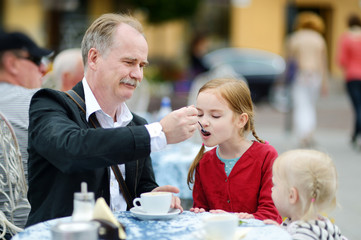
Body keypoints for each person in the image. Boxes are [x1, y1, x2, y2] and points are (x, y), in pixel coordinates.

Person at [25, 13, 198, 227]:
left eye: (142, 65)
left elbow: (142, 187)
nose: (137, 74)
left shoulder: (136, 123)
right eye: (129, 62)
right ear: (94, 58)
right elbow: (72, 149)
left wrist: (154, 196)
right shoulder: (50, 104)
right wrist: (159, 133)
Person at [187, 78, 282, 223]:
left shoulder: (266, 156)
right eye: (199, 114)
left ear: (241, 120)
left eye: (215, 116)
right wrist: (199, 213)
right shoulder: (204, 162)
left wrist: (232, 219)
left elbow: (270, 214)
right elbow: (201, 211)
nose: (203, 122)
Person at [0, 31, 52, 237]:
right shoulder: (37, 102)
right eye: (36, 59)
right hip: (27, 228)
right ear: (12, 63)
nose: (44, 68)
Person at [264, 149, 348, 240]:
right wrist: (279, 231)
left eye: (275, 185)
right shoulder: (325, 226)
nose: (272, 189)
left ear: (292, 196)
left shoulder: (302, 236)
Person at [286, 11, 328, 148]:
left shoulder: (295, 38)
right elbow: (323, 63)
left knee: (301, 105)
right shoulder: (319, 39)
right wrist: (324, 83)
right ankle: (309, 132)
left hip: (300, 75)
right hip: (315, 75)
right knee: (310, 105)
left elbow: (289, 60)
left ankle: (303, 134)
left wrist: (285, 77)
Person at [337, 13, 361, 150]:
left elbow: (342, 60)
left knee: (357, 106)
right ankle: (355, 134)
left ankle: (356, 134)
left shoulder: (346, 38)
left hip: (352, 76)